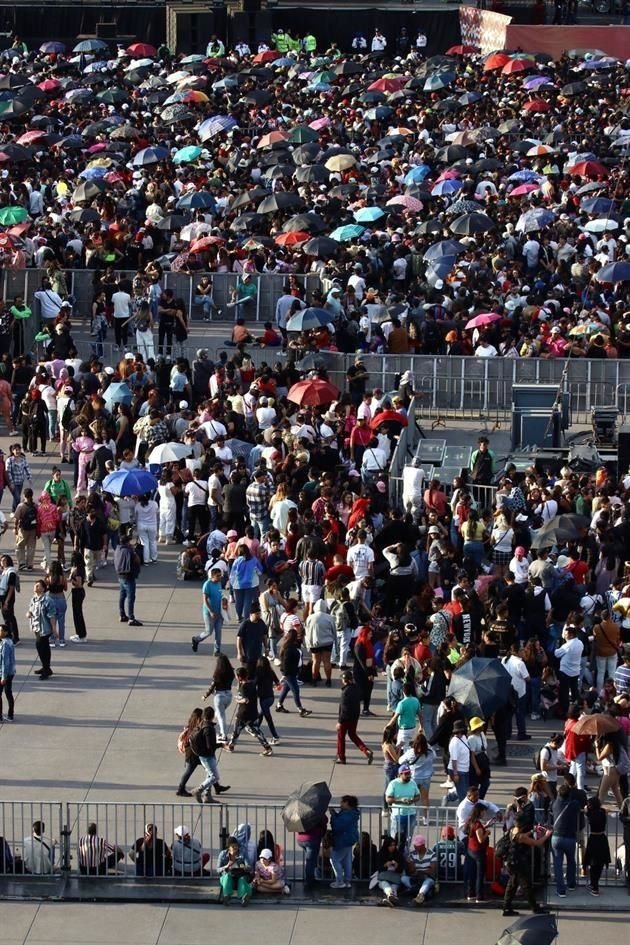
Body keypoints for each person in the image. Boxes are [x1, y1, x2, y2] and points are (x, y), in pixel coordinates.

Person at [501, 813, 551, 916]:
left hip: (511, 862)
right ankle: (535, 908)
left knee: (512, 885)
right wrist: (546, 835)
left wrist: (532, 831)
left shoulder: (513, 830)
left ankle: (506, 907)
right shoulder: (521, 836)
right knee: (527, 886)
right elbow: (537, 843)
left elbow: (522, 836)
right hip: (519, 863)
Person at [226, 665, 273, 756]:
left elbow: (246, 700)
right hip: (253, 712)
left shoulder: (243, 687)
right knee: (256, 731)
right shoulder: (251, 684)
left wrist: (238, 700)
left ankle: (231, 746)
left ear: (239, 677)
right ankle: (267, 747)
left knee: (236, 730)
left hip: (243, 713)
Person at [189, 704, 230, 802]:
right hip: (207, 756)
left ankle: (207, 796)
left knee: (209, 775)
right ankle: (199, 790)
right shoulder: (208, 729)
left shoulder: (202, 725)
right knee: (215, 777)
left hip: (202, 755)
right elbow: (210, 746)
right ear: (213, 716)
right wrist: (222, 744)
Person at [336, 670, 374, 765]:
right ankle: (366, 750)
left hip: (345, 719)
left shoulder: (345, 692)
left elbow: (343, 708)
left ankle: (341, 757)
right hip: (354, 717)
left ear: (345, 680)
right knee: (353, 735)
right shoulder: (356, 688)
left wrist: (339, 721)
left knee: (341, 738)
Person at [550, 782, 580, 897]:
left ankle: (560, 890)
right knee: (571, 861)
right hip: (570, 837)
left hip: (556, 837)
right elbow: (579, 802)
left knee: (558, 864)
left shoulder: (555, 803)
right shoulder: (574, 805)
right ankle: (571, 884)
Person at [276, 627, 312, 717]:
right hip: (289, 674)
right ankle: (300, 709)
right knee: (296, 690)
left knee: (285, 689)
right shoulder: (289, 649)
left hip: (292, 672)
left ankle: (279, 705)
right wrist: (284, 675)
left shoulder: (289, 646)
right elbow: (286, 663)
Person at [202, 653, 236, 744]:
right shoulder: (231, 673)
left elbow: (212, 686)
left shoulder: (217, 674)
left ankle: (223, 735)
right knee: (219, 713)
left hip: (219, 697)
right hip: (228, 696)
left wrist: (205, 695)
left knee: (221, 717)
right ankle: (211, 723)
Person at [27, 579, 57, 679]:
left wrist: (54, 629)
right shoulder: (33, 599)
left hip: (45, 628)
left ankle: (46, 669)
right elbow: (31, 609)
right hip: (36, 627)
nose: (36, 587)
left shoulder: (48, 600)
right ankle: (45, 667)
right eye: (35, 585)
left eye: (38, 586)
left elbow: (52, 616)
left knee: (41, 646)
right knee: (42, 648)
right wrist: (29, 613)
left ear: (43, 589)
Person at [329, 794, 360, 888]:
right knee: (347, 860)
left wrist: (333, 816)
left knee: (334, 859)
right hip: (349, 839)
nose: (340, 804)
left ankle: (340, 881)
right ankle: (347, 881)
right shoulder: (351, 813)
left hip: (343, 839)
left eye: (342, 802)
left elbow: (337, 826)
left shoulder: (347, 814)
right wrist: (336, 814)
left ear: (347, 803)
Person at [192, 566, 224, 654]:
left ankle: (217, 650)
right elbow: (205, 600)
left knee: (218, 631)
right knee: (209, 631)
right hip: (209, 612)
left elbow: (220, 594)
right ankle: (196, 639)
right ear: (212, 576)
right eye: (218, 576)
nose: (219, 577)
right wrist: (210, 611)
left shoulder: (219, 583)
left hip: (219, 611)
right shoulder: (207, 584)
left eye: (220, 575)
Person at [386, 763, 420, 843]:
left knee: (408, 837)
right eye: (406, 774)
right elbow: (388, 799)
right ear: (400, 774)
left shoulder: (412, 783)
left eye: (409, 773)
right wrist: (400, 800)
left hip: (411, 814)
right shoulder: (393, 784)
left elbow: (418, 796)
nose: (408, 775)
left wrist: (412, 800)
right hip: (398, 814)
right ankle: (395, 853)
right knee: (395, 837)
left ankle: (406, 852)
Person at [113, 533, 142, 627]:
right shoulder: (129, 551)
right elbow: (137, 560)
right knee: (131, 597)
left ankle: (122, 615)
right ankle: (131, 618)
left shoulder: (118, 549)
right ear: (126, 542)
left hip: (120, 576)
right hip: (129, 577)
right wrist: (134, 551)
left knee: (122, 596)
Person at [583, 796, 610, 896]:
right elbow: (604, 810)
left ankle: (595, 887)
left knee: (593, 863)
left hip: (593, 839)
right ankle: (595, 883)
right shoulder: (602, 812)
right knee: (600, 863)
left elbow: (586, 810)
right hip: (602, 839)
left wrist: (587, 808)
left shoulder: (590, 813)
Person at [464, 803, 491, 903]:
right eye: (484, 811)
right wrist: (487, 833)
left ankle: (470, 894)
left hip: (470, 849)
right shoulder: (478, 824)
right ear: (480, 811)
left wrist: (485, 827)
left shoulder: (470, 821)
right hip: (479, 851)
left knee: (472, 873)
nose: (484, 813)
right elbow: (480, 839)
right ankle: (479, 896)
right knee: (480, 874)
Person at [218, 836, 253, 905]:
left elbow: (249, 867)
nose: (235, 848)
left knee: (242, 879)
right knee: (227, 877)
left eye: (236, 846)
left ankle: (244, 897)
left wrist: (245, 867)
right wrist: (226, 866)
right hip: (229, 876)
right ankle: (226, 896)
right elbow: (218, 869)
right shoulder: (223, 854)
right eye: (233, 847)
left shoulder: (242, 853)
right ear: (228, 848)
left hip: (240, 875)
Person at [375, 835, 405, 907]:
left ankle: (388, 898)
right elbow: (378, 868)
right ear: (386, 846)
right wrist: (385, 865)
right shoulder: (381, 854)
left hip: (395, 878)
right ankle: (391, 896)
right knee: (385, 884)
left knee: (394, 886)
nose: (393, 847)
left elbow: (401, 869)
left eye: (394, 845)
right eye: (390, 845)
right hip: (384, 877)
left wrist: (397, 866)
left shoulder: (398, 855)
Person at [0, 624, 16, 721]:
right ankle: (10, 715)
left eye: (1, 630)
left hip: (4, 673)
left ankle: (0, 715)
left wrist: (3, 677)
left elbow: (5, 662)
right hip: (10, 672)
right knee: (8, 693)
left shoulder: (5, 644)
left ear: (6, 632)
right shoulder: (9, 642)